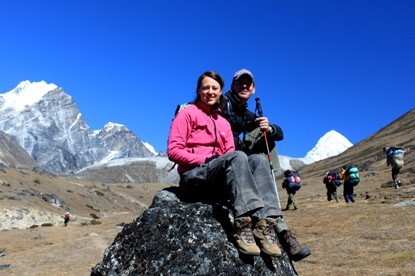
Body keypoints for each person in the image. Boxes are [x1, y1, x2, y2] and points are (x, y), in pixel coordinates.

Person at [167, 71, 310, 261]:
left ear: (220, 92)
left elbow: (232, 152)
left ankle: (266, 224)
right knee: (237, 157)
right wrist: (206, 159)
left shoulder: (223, 123)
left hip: (218, 179)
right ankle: (242, 225)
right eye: (205, 87)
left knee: (258, 160)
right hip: (195, 176)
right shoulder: (188, 114)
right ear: (198, 90)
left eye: (214, 88)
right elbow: (173, 151)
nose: (210, 92)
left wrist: (269, 128)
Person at [220, 69, 283, 174]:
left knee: (264, 130)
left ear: (253, 89)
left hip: (237, 151)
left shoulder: (246, 114)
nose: (244, 86)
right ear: (232, 86)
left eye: (248, 84)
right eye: (240, 83)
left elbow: (280, 134)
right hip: (222, 152)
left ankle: (270, 175)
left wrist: (269, 129)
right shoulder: (220, 103)